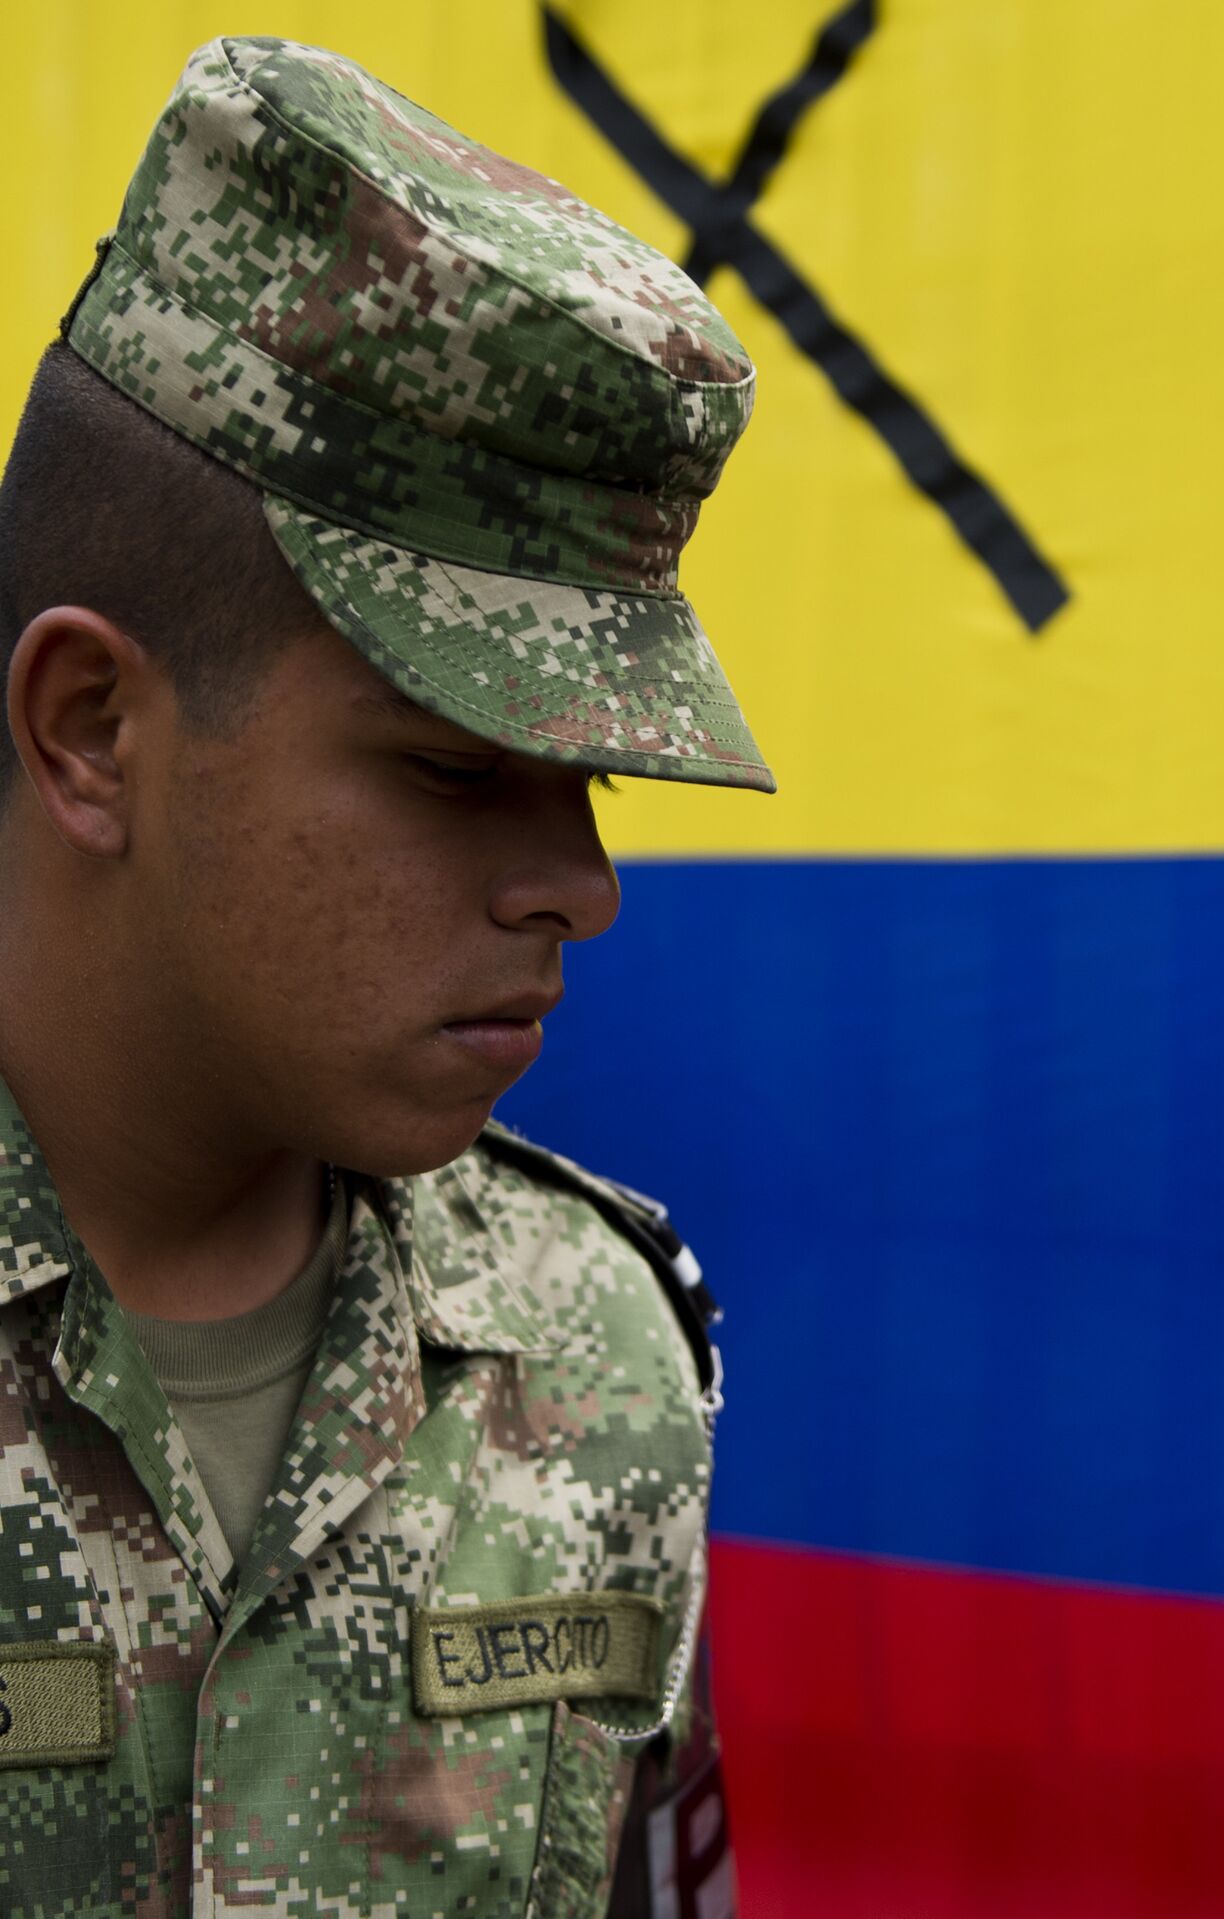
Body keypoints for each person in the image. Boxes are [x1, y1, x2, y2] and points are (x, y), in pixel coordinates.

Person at [0, 35, 771, 1918]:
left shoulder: (592, 1352)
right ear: (93, 726)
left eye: (588, 784)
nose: (580, 890)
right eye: (451, 768)